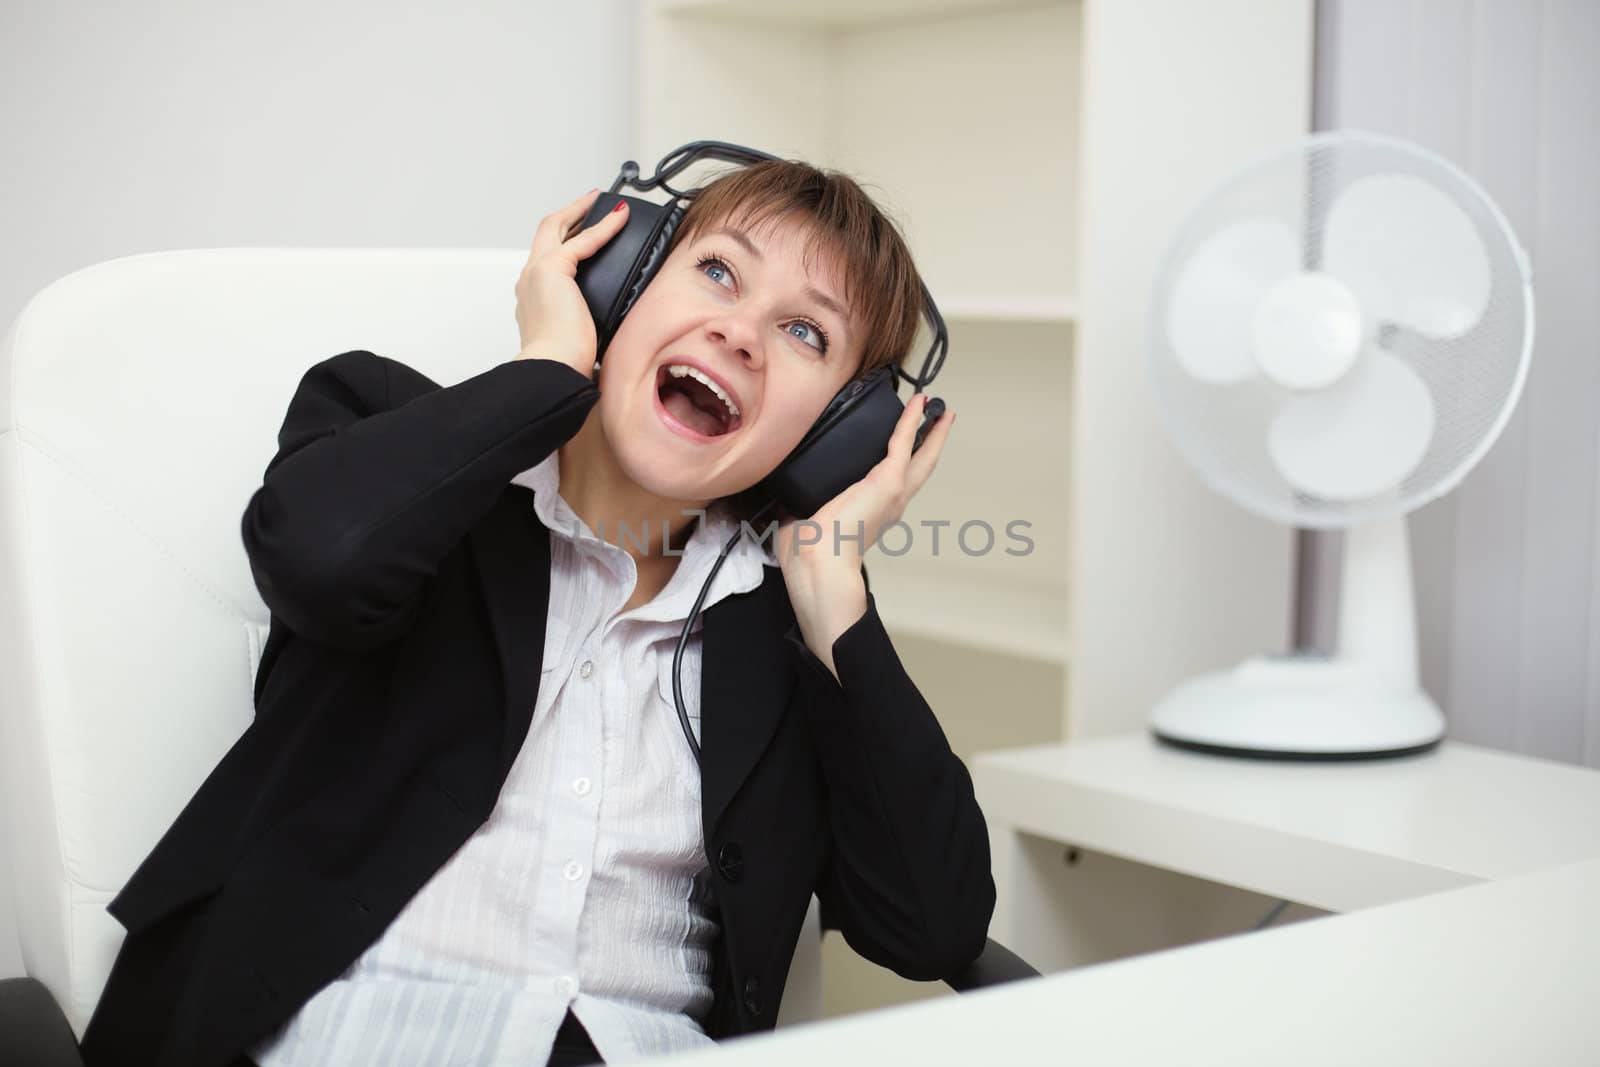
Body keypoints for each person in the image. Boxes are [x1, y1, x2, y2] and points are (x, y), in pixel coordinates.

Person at [79, 160, 993, 1067]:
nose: (741, 333)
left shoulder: (784, 617)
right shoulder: (396, 438)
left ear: (835, 429)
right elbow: (320, 560)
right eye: (718, 270)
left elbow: (932, 928)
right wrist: (550, 364)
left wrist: (834, 591)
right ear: (625, 277)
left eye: (804, 332)